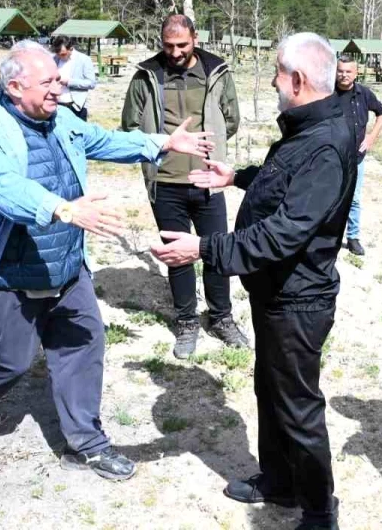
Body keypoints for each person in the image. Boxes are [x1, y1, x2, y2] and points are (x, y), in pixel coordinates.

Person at [0, 41, 213, 481]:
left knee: (83, 347)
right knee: (9, 361)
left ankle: (86, 441)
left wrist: (162, 142)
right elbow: (4, 188)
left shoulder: (61, 118)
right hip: (12, 275)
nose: (61, 85)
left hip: (68, 267)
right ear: (14, 87)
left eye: (59, 77)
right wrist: (65, 209)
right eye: (49, 80)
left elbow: (106, 140)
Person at [152, 33, 356, 530]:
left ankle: (318, 510)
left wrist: (204, 248)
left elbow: (284, 234)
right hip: (275, 293)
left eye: (277, 73)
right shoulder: (309, 130)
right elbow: (283, 181)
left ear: (298, 81)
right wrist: (237, 177)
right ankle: (280, 482)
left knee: (299, 406)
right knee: (270, 390)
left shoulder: (327, 144)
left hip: (299, 300)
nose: (272, 82)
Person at [121, 14, 247, 359]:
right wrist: (162, 147)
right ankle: (187, 321)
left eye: (182, 45)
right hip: (165, 181)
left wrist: (211, 148)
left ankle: (221, 317)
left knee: (217, 252)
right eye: (168, 45)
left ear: (195, 38)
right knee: (178, 256)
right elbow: (130, 125)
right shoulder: (147, 76)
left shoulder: (216, 72)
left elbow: (231, 119)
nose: (175, 52)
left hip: (209, 180)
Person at [333, 55, 382, 256]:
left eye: (348, 71)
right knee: (330, 196)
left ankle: (353, 237)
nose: (344, 75)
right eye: (340, 71)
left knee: (353, 199)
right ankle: (329, 236)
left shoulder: (364, 94)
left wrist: (372, 137)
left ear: (356, 73)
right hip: (331, 157)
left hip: (357, 157)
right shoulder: (328, 93)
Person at [50, 35, 97, 121]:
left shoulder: (84, 60)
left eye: (63, 54)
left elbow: (91, 83)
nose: (60, 57)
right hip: (57, 105)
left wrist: (69, 82)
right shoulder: (54, 59)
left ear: (71, 49)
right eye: (58, 54)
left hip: (75, 106)